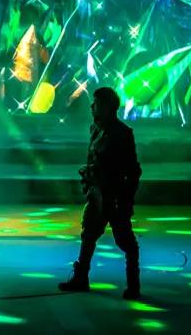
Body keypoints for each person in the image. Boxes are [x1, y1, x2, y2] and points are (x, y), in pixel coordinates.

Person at [59, 86, 142, 300]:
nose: (92, 106)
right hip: (97, 194)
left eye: (96, 103)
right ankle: (81, 277)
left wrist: (126, 200)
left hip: (114, 196)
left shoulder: (122, 133)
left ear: (106, 106)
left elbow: (133, 171)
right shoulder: (96, 129)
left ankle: (133, 285)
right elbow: (95, 159)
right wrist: (89, 174)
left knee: (125, 240)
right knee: (88, 234)